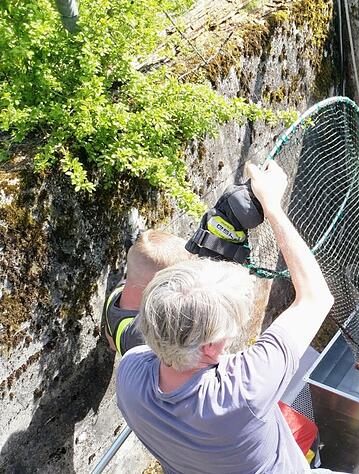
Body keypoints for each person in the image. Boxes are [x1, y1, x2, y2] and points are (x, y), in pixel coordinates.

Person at [115, 160, 336, 473]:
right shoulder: (245, 390)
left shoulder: (130, 376)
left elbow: (177, 318)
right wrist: (272, 205)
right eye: (233, 325)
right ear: (211, 346)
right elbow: (316, 297)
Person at [102, 230, 194, 356]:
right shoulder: (142, 336)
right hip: (130, 346)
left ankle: (112, 343)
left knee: (112, 336)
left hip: (116, 330)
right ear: (157, 287)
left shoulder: (123, 288)